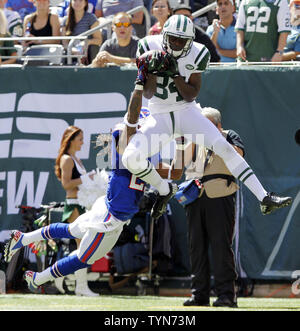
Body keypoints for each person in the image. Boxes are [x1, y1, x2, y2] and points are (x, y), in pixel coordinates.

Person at [121, 14, 292, 222]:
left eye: (181, 40)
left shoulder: (198, 52)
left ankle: (264, 197)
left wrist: (174, 73)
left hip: (187, 111)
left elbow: (192, 93)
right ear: (164, 35)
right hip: (160, 114)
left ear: (190, 41)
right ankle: (164, 189)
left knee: (223, 146)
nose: (176, 44)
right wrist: (150, 73)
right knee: (129, 157)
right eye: (173, 38)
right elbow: (148, 94)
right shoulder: (148, 45)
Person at [4, 107, 182, 294]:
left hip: (112, 208)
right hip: (112, 215)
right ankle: (38, 278)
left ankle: (24, 241)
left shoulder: (151, 150)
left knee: (72, 230)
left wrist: (180, 143)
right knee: (83, 258)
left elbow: (175, 172)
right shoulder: (123, 136)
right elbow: (122, 134)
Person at [181, 107, 244, 308]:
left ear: (217, 125)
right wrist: (192, 138)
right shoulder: (195, 140)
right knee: (196, 247)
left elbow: (239, 155)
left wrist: (216, 139)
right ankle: (199, 294)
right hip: (195, 197)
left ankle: (227, 295)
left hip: (220, 195)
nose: (201, 128)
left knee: (221, 246)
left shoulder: (229, 135)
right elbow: (180, 163)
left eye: (206, 124)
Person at [53, 125, 99, 297]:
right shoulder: (67, 159)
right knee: (83, 246)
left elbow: (81, 183)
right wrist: (87, 178)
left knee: (85, 246)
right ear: (71, 140)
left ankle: (59, 274)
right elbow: (66, 185)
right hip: (73, 206)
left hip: (83, 204)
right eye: (80, 139)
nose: (82, 142)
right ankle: (80, 286)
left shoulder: (76, 159)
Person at [62, 0, 102, 64]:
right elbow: (64, 43)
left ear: (85, 3)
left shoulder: (91, 18)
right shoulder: (65, 20)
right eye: (75, 0)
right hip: (71, 53)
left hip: (87, 53)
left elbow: (98, 40)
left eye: (80, 1)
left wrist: (86, 42)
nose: (77, 3)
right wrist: (72, 50)